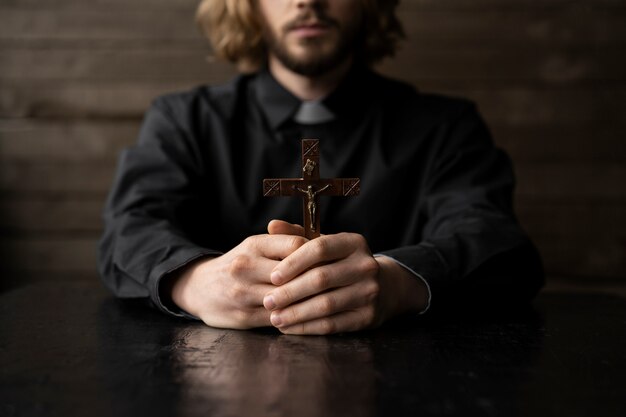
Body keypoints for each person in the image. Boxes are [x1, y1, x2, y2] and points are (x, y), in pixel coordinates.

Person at [98, 0, 544, 335]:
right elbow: (130, 228)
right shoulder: (184, 120)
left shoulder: (446, 126)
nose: (307, 1)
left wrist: (397, 283)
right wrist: (194, 282)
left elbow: (496, 240)